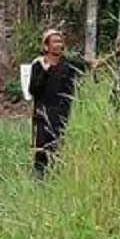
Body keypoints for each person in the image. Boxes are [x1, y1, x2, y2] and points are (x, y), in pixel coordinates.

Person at [29, 29, 89, 176]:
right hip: (42, 116)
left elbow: (91, 66)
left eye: (60, 41)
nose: (59, 44)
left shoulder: (68, 64)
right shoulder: (38, 65)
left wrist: (115, 54)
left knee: (57, 150)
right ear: (46, 46)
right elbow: (33, 90)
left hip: (62, 115)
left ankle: (55, 178)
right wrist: (45, 72)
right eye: (55, 41)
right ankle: (39, 180)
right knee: (41, 151)